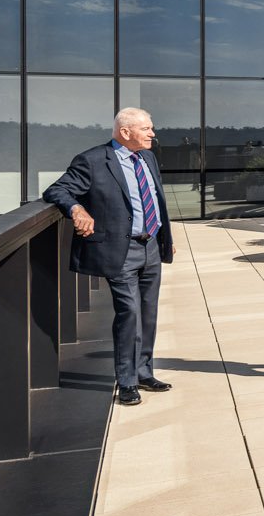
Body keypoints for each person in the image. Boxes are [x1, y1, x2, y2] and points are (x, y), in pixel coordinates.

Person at [43, 108, 176, 407]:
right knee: (129, 314)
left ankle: (144, 372)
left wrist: (166, 237)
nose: (152, 134)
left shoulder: (148, 158)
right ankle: (127, 381)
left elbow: (156, 199)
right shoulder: (92, 160)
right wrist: (77, 209)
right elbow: (57, 190)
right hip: (120, 251)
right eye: (146, 129)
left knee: (148, 313)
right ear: (125, 132)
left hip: (151, 246)